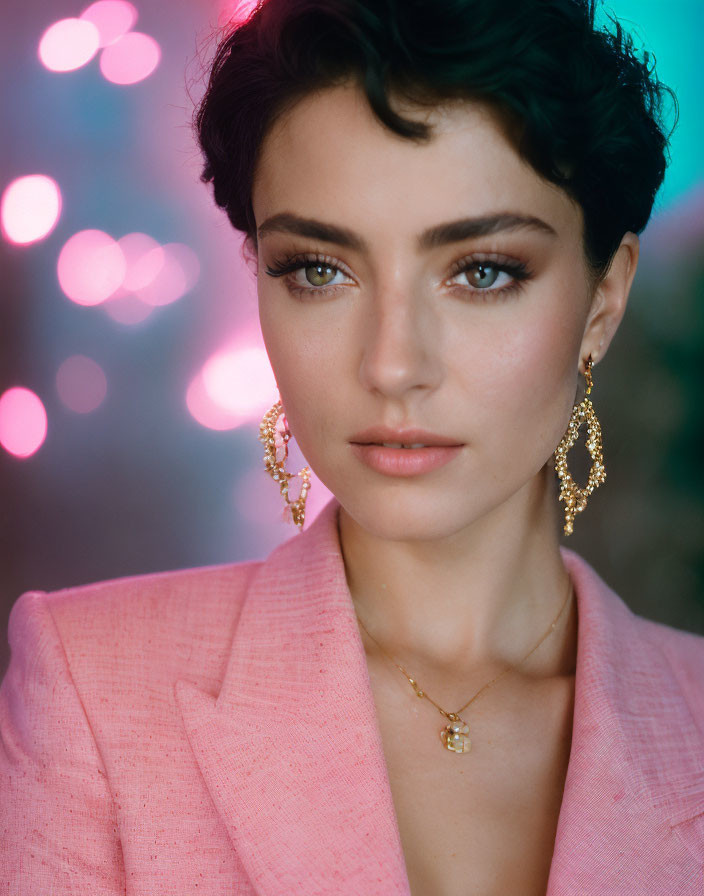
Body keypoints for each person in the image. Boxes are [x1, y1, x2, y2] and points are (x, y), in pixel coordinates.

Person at [1, 0, 702, 893]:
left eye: (482, 271)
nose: (393, 364)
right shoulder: (90, 689)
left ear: (603, 300)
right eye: (319, 270)